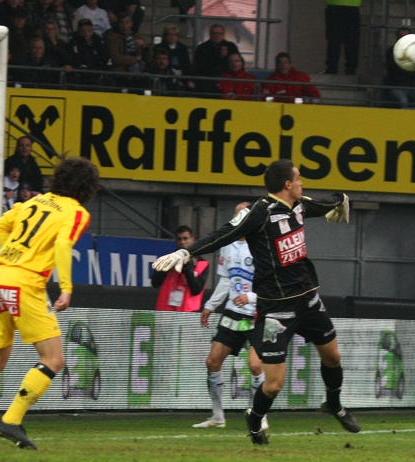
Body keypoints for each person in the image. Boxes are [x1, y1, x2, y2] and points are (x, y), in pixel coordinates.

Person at [152, 159, 360, 445]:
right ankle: (254, 419)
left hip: (308, 299)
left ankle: (334, 404)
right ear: (287, 184)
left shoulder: (298, 205)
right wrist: (187, 253)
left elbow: (326, 202)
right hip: (277, 308)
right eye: (298, 179)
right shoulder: (258, 213)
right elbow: (220, 235)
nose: (301, 183)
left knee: (333, 357)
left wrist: (343, 200)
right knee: (274, 384)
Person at [0, 157, 100, 450]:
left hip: (1, 278)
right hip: (27, 282)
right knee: (53, 359)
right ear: (87, 187)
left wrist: (15, 256)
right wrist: (65, 287)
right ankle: (11, 419)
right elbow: (63, 245)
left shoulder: (34, 202)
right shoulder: (76, 212)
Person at [193, 202, 268, 432]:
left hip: (257, 313)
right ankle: (218, 417)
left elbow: (272, 287)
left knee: (255, 366)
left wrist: (251, 297)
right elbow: (226, 279)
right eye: (235, 216)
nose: (237, 220)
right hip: (233, 313)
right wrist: (210, 305)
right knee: (212, 362)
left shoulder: (262, 247)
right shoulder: (227, 246)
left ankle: (260, 416)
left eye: (242, 216)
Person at [151, 225, 209, 312]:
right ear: (176, 241)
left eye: (185, 239)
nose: (182, 242)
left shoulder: (202, 263)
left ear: (192, 239)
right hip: (166, 311)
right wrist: (166, 266)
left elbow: (196, 290)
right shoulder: (167, 259)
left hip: (188, 313)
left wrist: (186, 268)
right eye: (179, 239)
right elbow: (155, 283)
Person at [382, 28, 415, 109]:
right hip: (396, 87)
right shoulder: (390, 52)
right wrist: (412, 69)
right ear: (396, 38)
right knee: (403, 101)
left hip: (413, 88)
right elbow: (393, 70)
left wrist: (405, 68)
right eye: (401, 37)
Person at [193, 24, 239, 94]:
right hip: (208, 81)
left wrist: (227, 56)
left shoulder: (231, 46)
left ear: (223, 34)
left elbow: (238, 62)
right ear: (210, 34)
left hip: (226, 80)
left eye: (219, 33)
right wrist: (219, 56)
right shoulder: (202, 48)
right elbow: (200, 66)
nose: (216, 35)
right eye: (214, 33)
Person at [323, 0, 361, 75]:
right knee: (352, 40)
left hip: (334, 4)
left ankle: (331, 69)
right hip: (353, 5)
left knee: (334, 39)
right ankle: (351, 69)